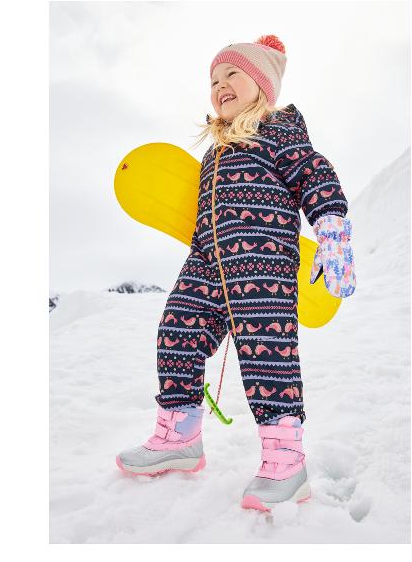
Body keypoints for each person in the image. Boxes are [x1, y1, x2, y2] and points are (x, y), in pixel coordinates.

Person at [116, 35, 356, 513]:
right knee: (176, 330)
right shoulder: (215, 151)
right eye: (213, 80)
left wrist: (331, 226)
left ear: (262, 86)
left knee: (267, 356)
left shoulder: (280, 132)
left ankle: (286, 462)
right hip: (210, 261)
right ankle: (179, 435)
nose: (219, 85)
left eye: (232, 75)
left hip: (265, 265)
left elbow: (315, 173)